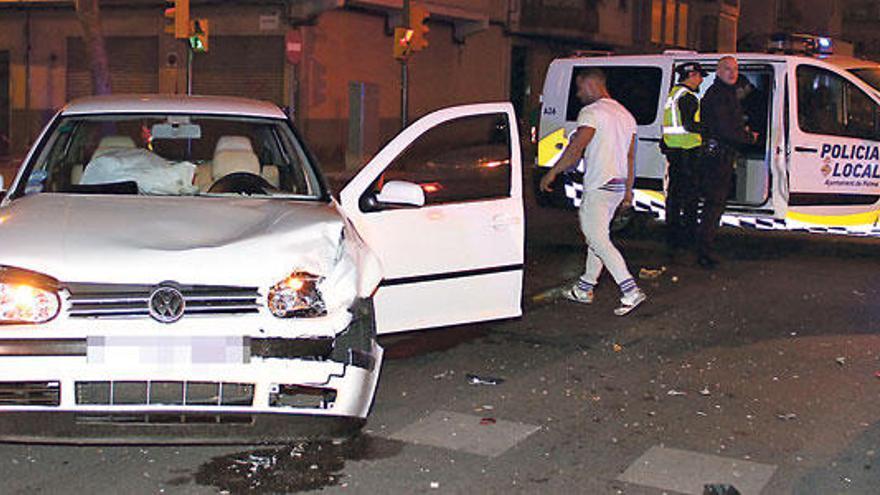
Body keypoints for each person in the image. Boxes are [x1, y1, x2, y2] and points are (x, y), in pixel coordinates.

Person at [539, 68, 646, 316]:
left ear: (590, 84)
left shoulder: (592, 112)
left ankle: (629, 290)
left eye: (579, 88)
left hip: (599, 184)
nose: (578, 94)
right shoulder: (625, 114)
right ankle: (585, 287)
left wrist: (552, 172)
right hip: (617, 185)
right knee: (598, 237)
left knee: (597, 239)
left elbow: (577, 148)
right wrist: (628, 192)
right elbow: (630, 156)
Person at [697, 56, 759, 269]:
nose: (732, 73)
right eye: (727, 69)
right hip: (716, 156)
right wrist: (748, 138)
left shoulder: (726, 94)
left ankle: (707, 247)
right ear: (718, 71)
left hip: (722, 154)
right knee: (713, 204)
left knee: (716, 204)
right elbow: (725, 129)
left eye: (735, 69)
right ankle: (704, 251)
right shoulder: (718, 95)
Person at [661, 62, 707, 257]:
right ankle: (688, 236)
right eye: (699, 76)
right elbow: (689, 125)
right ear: (691, 75)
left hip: (675, 151)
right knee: (690, 197)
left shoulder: (673, 94)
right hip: (688, 152)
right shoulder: (688, 98)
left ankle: (672, 235)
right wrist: (709, 128)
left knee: (675, 195)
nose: (701, 80)